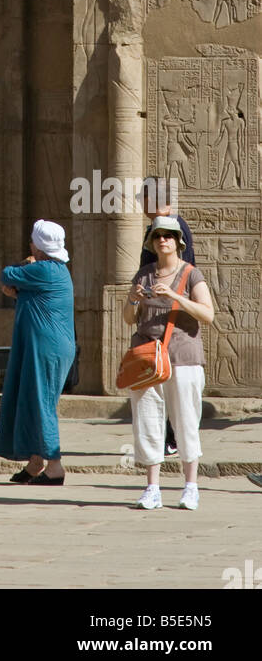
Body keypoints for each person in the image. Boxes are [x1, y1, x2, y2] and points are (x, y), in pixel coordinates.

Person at [124, 214, 214, 510]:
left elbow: (207, 314)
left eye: (169, 235)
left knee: (186, 419)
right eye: (158, 235)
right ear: (152, 242)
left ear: (178, 241)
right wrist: (135, 299)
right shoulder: (144, 274)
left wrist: (175, 295)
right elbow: (128, 319)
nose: (163, 239)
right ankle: (152, 487)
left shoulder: (191, 275)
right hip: (148, 358)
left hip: (182, 356)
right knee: (148, 421)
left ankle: (191, 486)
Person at [0, 220, 76, 484]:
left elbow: (7, 274)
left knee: (42, 404)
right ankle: (36, 462)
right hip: (46, 346)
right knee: (35, 402)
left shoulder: (45, 269)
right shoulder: (51, 270)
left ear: (38, 246)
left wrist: (22, 267)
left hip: (47, 348)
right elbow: (33, 298)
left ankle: (54, 466)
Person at [137, 177, 195, 457]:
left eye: (143, 198)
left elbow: (177, 269)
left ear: (155, 199)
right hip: (161, 306)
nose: (140, 204)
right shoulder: (165, 224)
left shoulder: (168, 226)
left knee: (165, 377)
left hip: (165, 310)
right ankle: (167, 437)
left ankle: (171, 439)